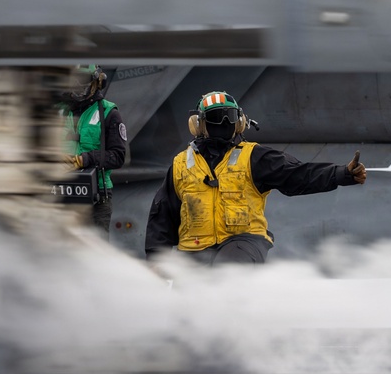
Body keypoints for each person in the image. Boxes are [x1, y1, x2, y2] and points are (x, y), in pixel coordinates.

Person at [145, 90, 367, 265]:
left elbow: (298, 175)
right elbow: (162, 213)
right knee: (190, 309)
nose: (223, 124)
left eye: (229, 118)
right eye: (215, 118)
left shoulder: (254, 156)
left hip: (243, 242)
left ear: (239, 122)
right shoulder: (181, 164)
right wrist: (157, 258)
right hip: (193, 248)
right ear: (198, 125)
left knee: (227, 276)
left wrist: (342, 174)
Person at [60, 65, 128, 234]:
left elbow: (118, 156)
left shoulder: (108, 112)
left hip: (96, 201)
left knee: (94, 254)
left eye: (83, 81)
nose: (78, 87)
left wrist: (85, 159)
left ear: (97, 82)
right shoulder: (59, 112)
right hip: (61, 197)